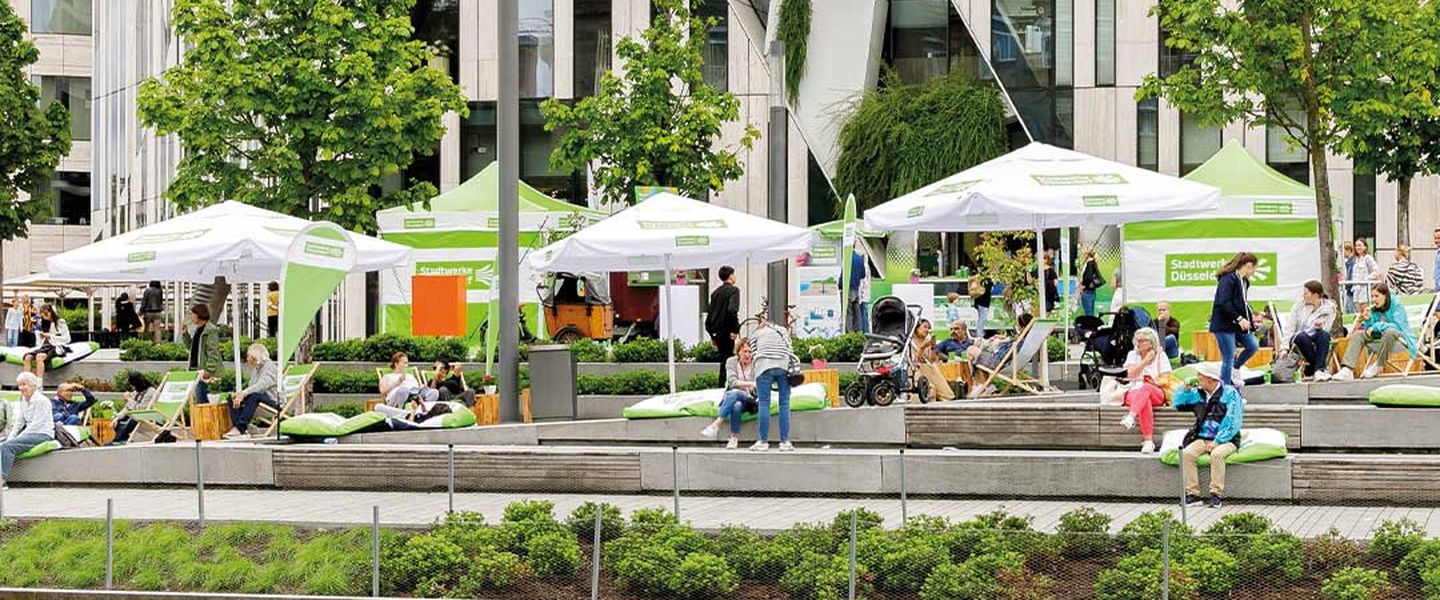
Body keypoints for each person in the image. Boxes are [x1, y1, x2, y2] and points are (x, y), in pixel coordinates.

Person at [1175, 362, 1245, 508]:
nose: (1198, 379)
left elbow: (1233, 420)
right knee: (1187, 454)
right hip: (1202, 437)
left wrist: (1218, 440)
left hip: (1227, 439)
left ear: (1211, 379)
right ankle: (1193, 494)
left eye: (1201, 377)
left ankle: (1216, 495)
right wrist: (1185, 391)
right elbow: (1178, 405)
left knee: (1217, 455)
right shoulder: (1198, 394)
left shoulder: (1230, 393)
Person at [1333, 283, 1417, 381]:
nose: (1373, 299)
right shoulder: (1374, 308)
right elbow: (1369, 330)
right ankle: (1347, 369)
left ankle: (1378, 365)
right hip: (1380, 337)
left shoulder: (1396, 305)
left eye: (1377, 296)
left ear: (1386, 296)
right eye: (1372, 296)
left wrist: (1376, 326)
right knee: (1358, 335)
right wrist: (1368, 320)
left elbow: (1398, 326)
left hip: (1398, 338)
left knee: (1390, 332)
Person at [1117, 328, 1172, 454]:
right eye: (1137, 340)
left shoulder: (1161, 355)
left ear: (1151, 342)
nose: (1138, 343)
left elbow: (1166, 378)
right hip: (1134, 390)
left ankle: (1131, 417)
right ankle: (1148, 441)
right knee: (1144, 401)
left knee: (1146, 388)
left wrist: (1152, 381)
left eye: (1142, 340)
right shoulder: (1132, 355)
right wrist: (1145, 361)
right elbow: (1130, 375)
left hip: (1155, 390)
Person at [1208, 252, 1260, 387]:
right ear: (1249, 266)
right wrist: (1239, 318)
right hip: (1224, 324)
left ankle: (1236, 368)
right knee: (1228, 357)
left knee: (1252, 345)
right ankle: (1225, 388)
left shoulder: (1244, 281)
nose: (1254, 272)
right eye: (1255, 268)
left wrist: (1250, 321)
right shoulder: (1228, 279)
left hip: (1237, 324)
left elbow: (1242, 303)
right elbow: (1223, 302)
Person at [748, 313, 796, 452]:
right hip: (783, 365)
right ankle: (785, 442)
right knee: (784, 403)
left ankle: (763, 441)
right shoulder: (783, 330)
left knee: (764, 403)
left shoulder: (757, 333)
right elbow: (790, 348)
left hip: (764, 366)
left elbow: (754, 352)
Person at [1, 372, 56, 488]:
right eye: (19, 385)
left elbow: (36, 424)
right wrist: (11, 437)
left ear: (33, 385)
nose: (21, 388)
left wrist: (18, 438)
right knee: (4, 443)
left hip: (42, 434)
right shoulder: (24, 400)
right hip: (30, 433)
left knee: (7, 447)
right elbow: (19, 422)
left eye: (24, 384)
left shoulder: (41, 401)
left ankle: (2, 480)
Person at [702, 340, 757, 448]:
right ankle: (733, 438)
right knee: (736, 405)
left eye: (750, 352)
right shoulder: (731, 362)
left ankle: (716, 424)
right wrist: (751, 383)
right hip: (733, 397)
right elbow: (732, 382)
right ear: (738, 352)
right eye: (745, 351)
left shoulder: (756, 364)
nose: (748, 355)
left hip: (749, 398)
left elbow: (756, 387)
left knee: (735, 392)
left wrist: (743, 385)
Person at [1280, 280, 1338, 381]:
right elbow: (1290, 328)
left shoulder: (1329, 308)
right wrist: (1284, 347)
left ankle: (1314, 370)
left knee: (1323, 335)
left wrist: (1321, 325)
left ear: (1315, 295)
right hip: (1301, 337)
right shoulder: (1299, 306)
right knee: (1302, 336)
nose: (1303, 296)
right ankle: (1319, 369)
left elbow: (1327, 329)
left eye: (1306, 293)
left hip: (1318, 336)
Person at [966, 313, 1035, 396]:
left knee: (972, 351)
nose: (1017, 326)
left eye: (1018, 324)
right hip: (1008, 362)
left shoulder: (1020, 341)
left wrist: (996, 346)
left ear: (1023, 327)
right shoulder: (1028, 339)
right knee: (979, 359)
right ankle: (983, 387)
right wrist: (1004, 339)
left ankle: (979, 386)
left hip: (1000, 361)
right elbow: (1012, 344)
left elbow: (1005, 354)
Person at [225, 343, 279, 439]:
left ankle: (240, 428)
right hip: (259, 400)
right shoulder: (256, 369)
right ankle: (244, 429)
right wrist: (239, 396)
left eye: (248, 356)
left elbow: (261, 386)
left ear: (255, 355)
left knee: (254, 396)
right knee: (232, 397)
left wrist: (243, 394)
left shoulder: (270, 367)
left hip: (275, 402)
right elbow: (251, 387)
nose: (247, 359)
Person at [705, 266, 741, 383]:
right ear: (730, 276)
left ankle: (723, 384)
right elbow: (732, 310)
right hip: (727, 332)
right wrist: (735, 330)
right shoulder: (734, 290)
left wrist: (712, 335)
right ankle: (725, 385)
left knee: (724, 359)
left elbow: (710, 315)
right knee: (728, 361)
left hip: (716, 332)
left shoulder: (715, 293)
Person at [910, 319, 957, 402]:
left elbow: (932, 359)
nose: (927, 330)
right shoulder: (910, 342)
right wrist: (922, 347)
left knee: (934, 368)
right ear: (916, 329)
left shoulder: (927, 341)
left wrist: (933, 347)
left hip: (928, 369)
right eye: (924, 327)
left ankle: (945, 395)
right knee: (931, 387)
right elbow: (916, 360)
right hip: (916, 370)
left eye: (928, 328)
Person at [183, 304, 222, 404]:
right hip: (196, 370)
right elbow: (192, 348)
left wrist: (208, 370)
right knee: (200, 401)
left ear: (199, 315)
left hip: (204, 372)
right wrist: (185, 335)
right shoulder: (198, 329)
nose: (191, 317)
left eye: (193, 314)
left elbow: (213, 351)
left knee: (203, 401)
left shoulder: (210, 330)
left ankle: (208, 420)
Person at [22, 304, 71, 380]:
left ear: (51, 312)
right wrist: (43, 337)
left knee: (39, 357)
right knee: (27, 357)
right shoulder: (45, 323)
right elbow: (43, 340)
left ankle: (39, 385)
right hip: (46, 345)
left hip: (57, 346)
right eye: (42, 315)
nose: (44, 317)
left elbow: (67, 339)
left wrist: (50, 336)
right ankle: (27, 382)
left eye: (45, 314)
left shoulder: (60, 322)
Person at [111, 371, 158, 445]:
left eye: (132, 385)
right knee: (118, 419)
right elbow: (128, 408)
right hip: (137, 416)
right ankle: (122, 439)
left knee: (133, 419)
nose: (131, 387)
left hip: (149, 417)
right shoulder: (136, 392)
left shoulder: (151, 392)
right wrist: (117, 418)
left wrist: (129, 399)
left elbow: (141, 409)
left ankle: (117, 440)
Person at [1350, 238, 1381, 313]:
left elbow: (1376, 271)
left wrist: (1366, 280)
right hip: (1356, 290)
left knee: (1366, 312)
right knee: (1358, 313)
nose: (1357, 247)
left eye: (1360, 245)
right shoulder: (1357, 259)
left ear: (1365, 247)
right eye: (1356, 245)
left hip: (1364, 290)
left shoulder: (1368, 258)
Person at [1080, 247, 1104, 317]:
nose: (1082, 255)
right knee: (1090, 314)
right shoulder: (1092, 262)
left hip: (1087, 291)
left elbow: (1088, 277)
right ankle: (1091, 327)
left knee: (1088, 315)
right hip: (1091, 291)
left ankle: (1090, 327)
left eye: (1083, 253)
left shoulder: (1089, 263)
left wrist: (1083, 285)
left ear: (1086, 254)